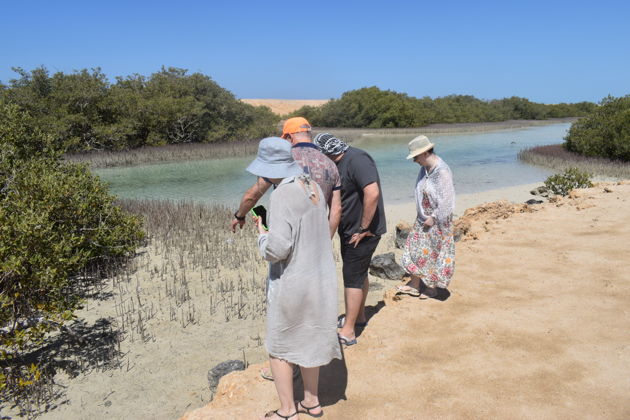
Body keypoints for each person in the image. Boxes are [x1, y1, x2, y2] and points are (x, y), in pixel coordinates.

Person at [249, 137, 341, 420]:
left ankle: (287, 411)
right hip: (320, 279)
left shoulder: (281, 194)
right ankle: (311, 403)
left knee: (279, 347)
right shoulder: (311, 186)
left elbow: (278, 249)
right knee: (309, 340)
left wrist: (261, 232)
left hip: (293, 282)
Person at [314, 133, 386, 346]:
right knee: (358, 272)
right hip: (350, 230)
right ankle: (360, 316)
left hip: (362, 232)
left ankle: (348, 331)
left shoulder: (357, 159)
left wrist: (363, 228)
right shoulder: (339, 162)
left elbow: (372, 193)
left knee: (351, 277)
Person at [231, 117, 341, 239]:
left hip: (285, 237)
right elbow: (336, 209)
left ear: (289, 137)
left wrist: (240, 216)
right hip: (316, 238)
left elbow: (252, 196)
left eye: (284, 140)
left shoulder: (284, 161)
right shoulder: (330, 164)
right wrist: (325, 241)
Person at [396, 135, 455, 299]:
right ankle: (415, 284)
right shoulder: (425, 169)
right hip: (423, 219)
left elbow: (447, 200)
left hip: (438, 221)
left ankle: (431, 288)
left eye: (415, 156)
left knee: (433, 253)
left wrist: (434, 218)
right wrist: (423, 215)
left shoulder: (442, 171)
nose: (414, 160)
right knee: (412, 250)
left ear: (424, 153)